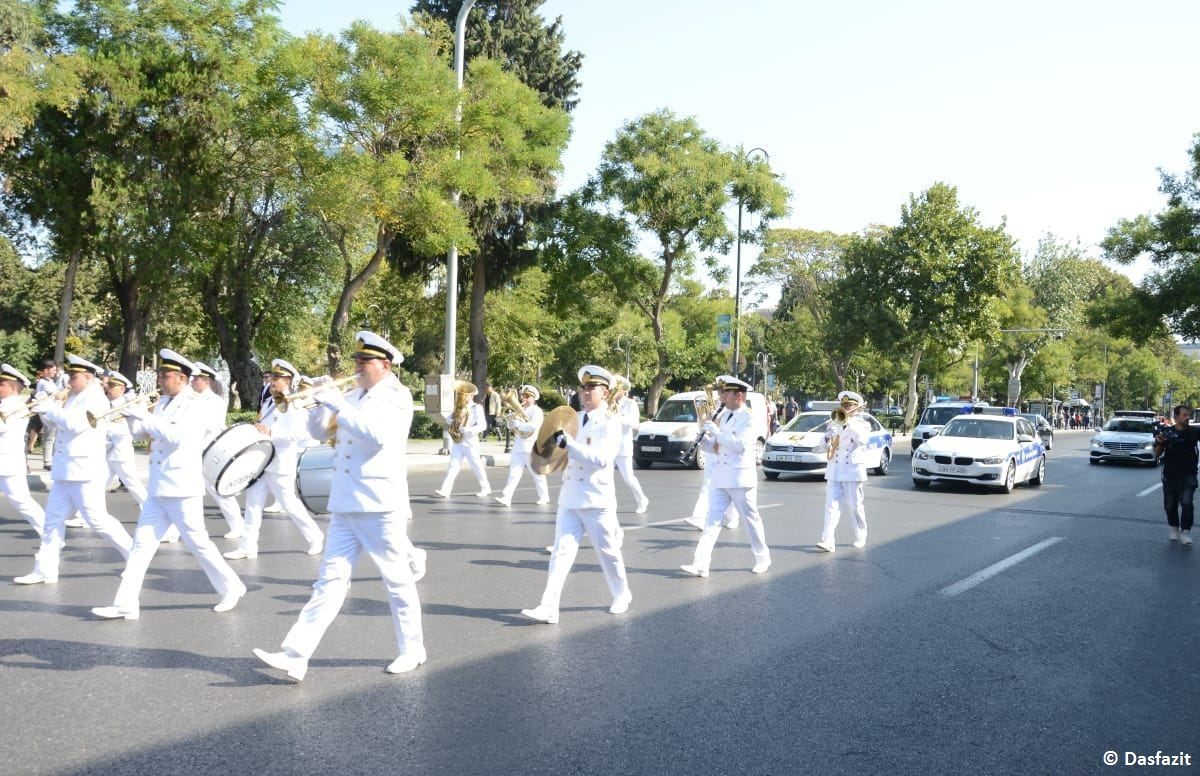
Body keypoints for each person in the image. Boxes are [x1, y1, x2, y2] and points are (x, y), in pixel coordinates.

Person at [254, 331, 426, 680]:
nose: (358, 366)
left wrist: (336, 403)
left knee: (396, 580)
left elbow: (377, 437)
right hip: (346, 500)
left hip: (379, 503)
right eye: (357, 360)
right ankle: (296, 654)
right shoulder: (352, 396)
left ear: (385, 365)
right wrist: (315, 403)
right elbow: (320, 434)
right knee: (329, 581)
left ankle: (412, 649)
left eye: (365, 361)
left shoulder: (397, 397)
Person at [91, 349, 246, 619]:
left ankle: (232, 586)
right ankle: (125, 603)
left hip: (181, 486)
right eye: (160, 375)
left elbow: (176, 437)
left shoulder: (195, 405)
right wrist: (131, 416)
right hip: (158, 486)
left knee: (199, 543)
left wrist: (144, 416)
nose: (160, 380)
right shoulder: (163, 402)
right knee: (141, 547)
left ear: (182, 378)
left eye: (165, 376)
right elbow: (141, 434)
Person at [522, 365, 632, 624]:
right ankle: (549, 606)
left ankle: (622, 593)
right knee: (561, 553)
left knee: (607, 552)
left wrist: (570, 445)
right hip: (570, 495)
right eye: (584, 387)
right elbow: (558, 455)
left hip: (596, 498)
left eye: (592, 387)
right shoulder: (572, 419)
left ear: (605, 393)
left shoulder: (611, 423)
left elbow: (602, 459)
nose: (586, 392)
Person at [15, 355, 133, 585]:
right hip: (65, 469)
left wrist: (51, 408)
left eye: (74, 376)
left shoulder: (96, 399)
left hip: (85, 470)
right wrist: (43, 411)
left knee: (98, 520)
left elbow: (76, 424)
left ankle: (134, 556)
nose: (69, 380)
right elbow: (55, 423)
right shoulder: (74, 397)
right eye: (69, 375)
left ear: (88, 377)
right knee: (52, 521)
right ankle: (45, 570)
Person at [224, 358, 324, 560]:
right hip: (262, 461)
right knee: (252, 504)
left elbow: (297, 434)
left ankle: (315, 536)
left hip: (280, 463)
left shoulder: (293, 404)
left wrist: (271, 432)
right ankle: (247, 546)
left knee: (290, 504)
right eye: (272, 377)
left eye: (277, 378)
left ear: (287, 381)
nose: (272, 381)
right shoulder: (269, 402)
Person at [680, 375, 770, 577]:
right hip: (721, 477)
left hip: (740, 478)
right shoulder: (725, 415)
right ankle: (700, 564)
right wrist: (704, 441)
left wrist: (717, 433)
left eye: (726, 393)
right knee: (711, 522)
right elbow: (717, 448)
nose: (721, 397)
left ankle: (762, 557)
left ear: (739, 395)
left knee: (750, 521)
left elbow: (740, 446)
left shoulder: (748, 418)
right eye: (722, 393)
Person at [190, 362, 244, 539]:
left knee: (219, 491)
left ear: (206, 381)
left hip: (209, 452)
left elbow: (214, 425)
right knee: (188, 493)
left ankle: (237, 525)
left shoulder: (214, 401)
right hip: (192, 452)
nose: (192, 381)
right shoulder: (191, 399)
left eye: (196, 379)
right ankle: (182, 530)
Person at [816, 390, 871, 553]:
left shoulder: (862, 424)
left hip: (852, 470)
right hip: (835, 469)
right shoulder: (834, 423)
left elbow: (862, 440)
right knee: (830, 506)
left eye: (849, 405)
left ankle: (861, 534)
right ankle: (828, 540)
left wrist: (848, 423)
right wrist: (828, 435)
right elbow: (823, 446)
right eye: (843, 405)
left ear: (856, 407)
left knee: (854, 506)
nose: (845, 408)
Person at [0, 364, 46, 536]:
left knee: (22, 501)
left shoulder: (13, 406)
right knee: (23, 501)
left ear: (13, 388)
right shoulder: (6, 404)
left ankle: (49, 533)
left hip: (7, 462)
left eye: (1, 384)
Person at [494, 384, 549, 507]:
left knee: (537, 474)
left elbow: (533, 426)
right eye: (523, 396)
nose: (524, 398)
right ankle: (507, 497)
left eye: (527, 396)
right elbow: (511, 427)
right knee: (514, 473)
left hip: (531, 446)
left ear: (533, 398)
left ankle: (544, 496)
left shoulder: (537, 411)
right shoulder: (520, 409)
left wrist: (518, 424)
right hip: (519, 445)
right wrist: (511, 422)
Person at [433, 382, 491, 498]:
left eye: (465, 394)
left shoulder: (476, 408)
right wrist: (453, 421)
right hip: (458, 442)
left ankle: (486, 488)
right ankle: (445, 490)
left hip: (470, 442)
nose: (462, 396)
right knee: (453, 466)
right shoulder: (459, 408)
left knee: (477, 466)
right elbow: (448, 419)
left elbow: (483, 426)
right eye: (461, 394)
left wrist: (468, 429)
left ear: (471, 396)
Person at [1154, 404, 1200, 545]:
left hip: (1189, 474)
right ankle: (1174, 528)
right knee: (1170, 505)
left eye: (1189, 415)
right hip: (1170, 475)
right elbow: (1156, 454)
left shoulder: (1194, 431)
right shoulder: (1166, 432)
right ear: (1176, 417)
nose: (1188, 417)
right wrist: (1160, 443)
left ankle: (1185, 532)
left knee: (1187, 503)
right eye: (1184, 415)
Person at [101, 371, 148, 507]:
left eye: (112, 386)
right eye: (108, 385)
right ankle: (82, 514)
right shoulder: (106, 404)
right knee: (99, 484)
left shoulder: (129, 406)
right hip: (108, 451)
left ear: (122, 389)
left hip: (120, 451)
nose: (108, 388)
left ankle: (150, 508)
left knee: (133, 484)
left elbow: (135, 431)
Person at [611, 376, 650, 514]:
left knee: (628, 478)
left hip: (623, 446)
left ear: (622, 390)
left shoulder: (630, 404)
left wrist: (618, 415)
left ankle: (642, 500)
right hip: (608, 446)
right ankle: (610, 505)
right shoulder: (607, 403)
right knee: (606, 477)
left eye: (616, 389)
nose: (613, 391)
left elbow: (634, 424)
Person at [33, 359, 61, 467]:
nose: (55, 372)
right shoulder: (43, 382)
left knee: (52, 437)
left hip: (51, 410)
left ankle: (50, 460)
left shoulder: (49, 381)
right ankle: (48, 461)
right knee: (50, 437)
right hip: (47, 412)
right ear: (46, 370)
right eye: (53, 370)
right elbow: (58, 395)